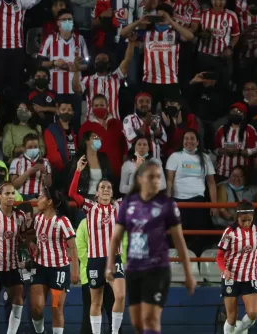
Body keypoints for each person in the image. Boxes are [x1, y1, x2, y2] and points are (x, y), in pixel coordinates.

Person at [107, 161, 196, 334]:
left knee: (150, 319)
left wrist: (188, 274)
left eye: (158, 177)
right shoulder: (128, 203)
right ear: (140, 179)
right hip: (133, 269)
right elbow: (116, 237)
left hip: (158, 269)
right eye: (151, 177)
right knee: (137, 322)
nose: (156, 181)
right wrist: (110, 264)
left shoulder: (167, 205)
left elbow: (179, 241)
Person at [70, 156, 125, 334]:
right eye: (102, 187)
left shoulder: (118, 207)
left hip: (113, 259)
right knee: (96, 302)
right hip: (95, 261)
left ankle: (115, 332)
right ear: (97, 193)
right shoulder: (89, 207)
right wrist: (78, 170)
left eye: (109, 187)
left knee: (121, 295)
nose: (106, 190)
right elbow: (72, 193)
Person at [30, 186, 79, 334]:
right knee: (36, 309)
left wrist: (74, 271)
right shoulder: (37, 219)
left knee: (56, 307)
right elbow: (33, 238)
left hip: (58, 270)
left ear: (49, 201)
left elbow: (73, 247)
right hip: (40, 268)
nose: (37, 200)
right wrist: (32, 244)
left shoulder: (62, 221)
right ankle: (40, 332)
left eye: (40, 197)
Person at [166, 129, 217, 254]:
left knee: (198, 235)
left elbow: (211, 183)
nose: (189, 141)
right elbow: (169, 181)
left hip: (198, 201)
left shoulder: (205, 157)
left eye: (192, 138)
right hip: (179, 201)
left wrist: (214, 205)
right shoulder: (175, 156)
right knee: (177, 234)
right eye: (186, 138)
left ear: (198, 142)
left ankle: (196, 261)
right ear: (182, 141)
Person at [217, 200, 257, 334]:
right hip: (231, 276)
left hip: (250, 275)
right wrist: (224, 270)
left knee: (253, 313)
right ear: (237, 218)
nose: (246, 224)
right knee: (231, 318)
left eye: (249, 220)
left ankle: (237, 332)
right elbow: (219, 256)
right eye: (243, 221)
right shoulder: (229, 232)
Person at [0, 182, 28, 334]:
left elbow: (23, 239)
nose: (11, 197)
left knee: (18, 300)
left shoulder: (20, 216)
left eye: (13, 193)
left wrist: (25, 252)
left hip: (13, 265)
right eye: (7, 193)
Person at [78, 94, 126, 180]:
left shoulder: (117, 124)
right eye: (96, 106)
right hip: (97, 173)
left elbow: (124, 147)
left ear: (107, 106)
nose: (99, 108)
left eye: (102, 105)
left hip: (117, 171)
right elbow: (82, 149)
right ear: (92, 107)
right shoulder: (86, 127)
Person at [214, 102, 257, 179]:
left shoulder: (249, 129)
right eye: (233, 111)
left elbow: (255, 148)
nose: (235, 113)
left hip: (243, 173)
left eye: (238, 112)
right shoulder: (221, 129)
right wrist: (224, 150)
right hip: (223, 172)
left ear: (243, 114)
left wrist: (239, 152)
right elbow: (215, 149)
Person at [123, 92, 167, 160]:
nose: (145, 104)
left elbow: (164, 140)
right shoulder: (129, 119)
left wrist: (155, 129)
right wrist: (146, 124)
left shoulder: (155, 119)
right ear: (135, 105)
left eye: (147, 101)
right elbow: (130, 138)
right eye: (141, 101)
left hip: (155, 161)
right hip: (137, 162)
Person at [10, 133, 52, 200]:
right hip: (21, 196)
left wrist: (44, 172)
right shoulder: (16, 161)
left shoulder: (45, 162)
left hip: (39, 196)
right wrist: (28, 172)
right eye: (30, 147)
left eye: (35, 147)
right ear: (24, 148)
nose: (33, 149)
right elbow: (14, 185)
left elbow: (49, 184)